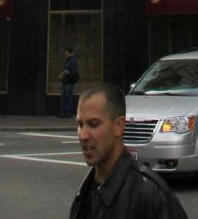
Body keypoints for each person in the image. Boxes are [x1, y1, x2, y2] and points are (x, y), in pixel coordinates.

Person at [70, 83, 187, 219]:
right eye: (80, 124)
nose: (83, 135)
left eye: (93, 124)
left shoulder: (151, 196)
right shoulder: (84, 194)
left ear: (118, 126)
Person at [59, 47, 78, 120]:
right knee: (65, 97)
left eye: (66, 52)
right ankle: (64, 112)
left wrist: (61, 75)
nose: (64, 53)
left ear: (69, 52)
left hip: (69, 81)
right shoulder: (68, 59)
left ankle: (68, 113)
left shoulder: (72, 60)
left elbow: (69, 70)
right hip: (66, 81)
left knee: (68, 96)